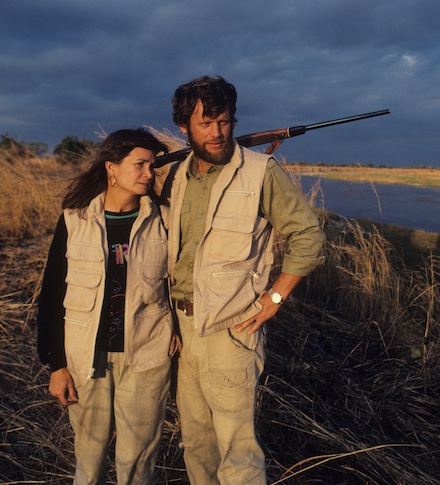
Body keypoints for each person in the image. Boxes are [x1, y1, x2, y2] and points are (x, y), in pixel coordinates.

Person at [163, 75, 325, 484]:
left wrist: (273, 299)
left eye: (225, 122)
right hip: (182, 329)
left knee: (238, 450)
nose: (218, 133)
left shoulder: (261, 171)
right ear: (184, 127)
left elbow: (308, 236)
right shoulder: (175, 177)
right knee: (196, 443)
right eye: (206, 123)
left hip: (231, 332)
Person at [36, 128, 179, 484]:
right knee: (89, 459)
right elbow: (52, 295)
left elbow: (180, 283)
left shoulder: (165, 219)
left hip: (146, 356)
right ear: (111, 168)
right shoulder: (75, 219)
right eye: (140, 164)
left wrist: (175, 328)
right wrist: (56, 365)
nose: (149, 173)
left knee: (138, 461)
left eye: (153, 166)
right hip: (87, 359)